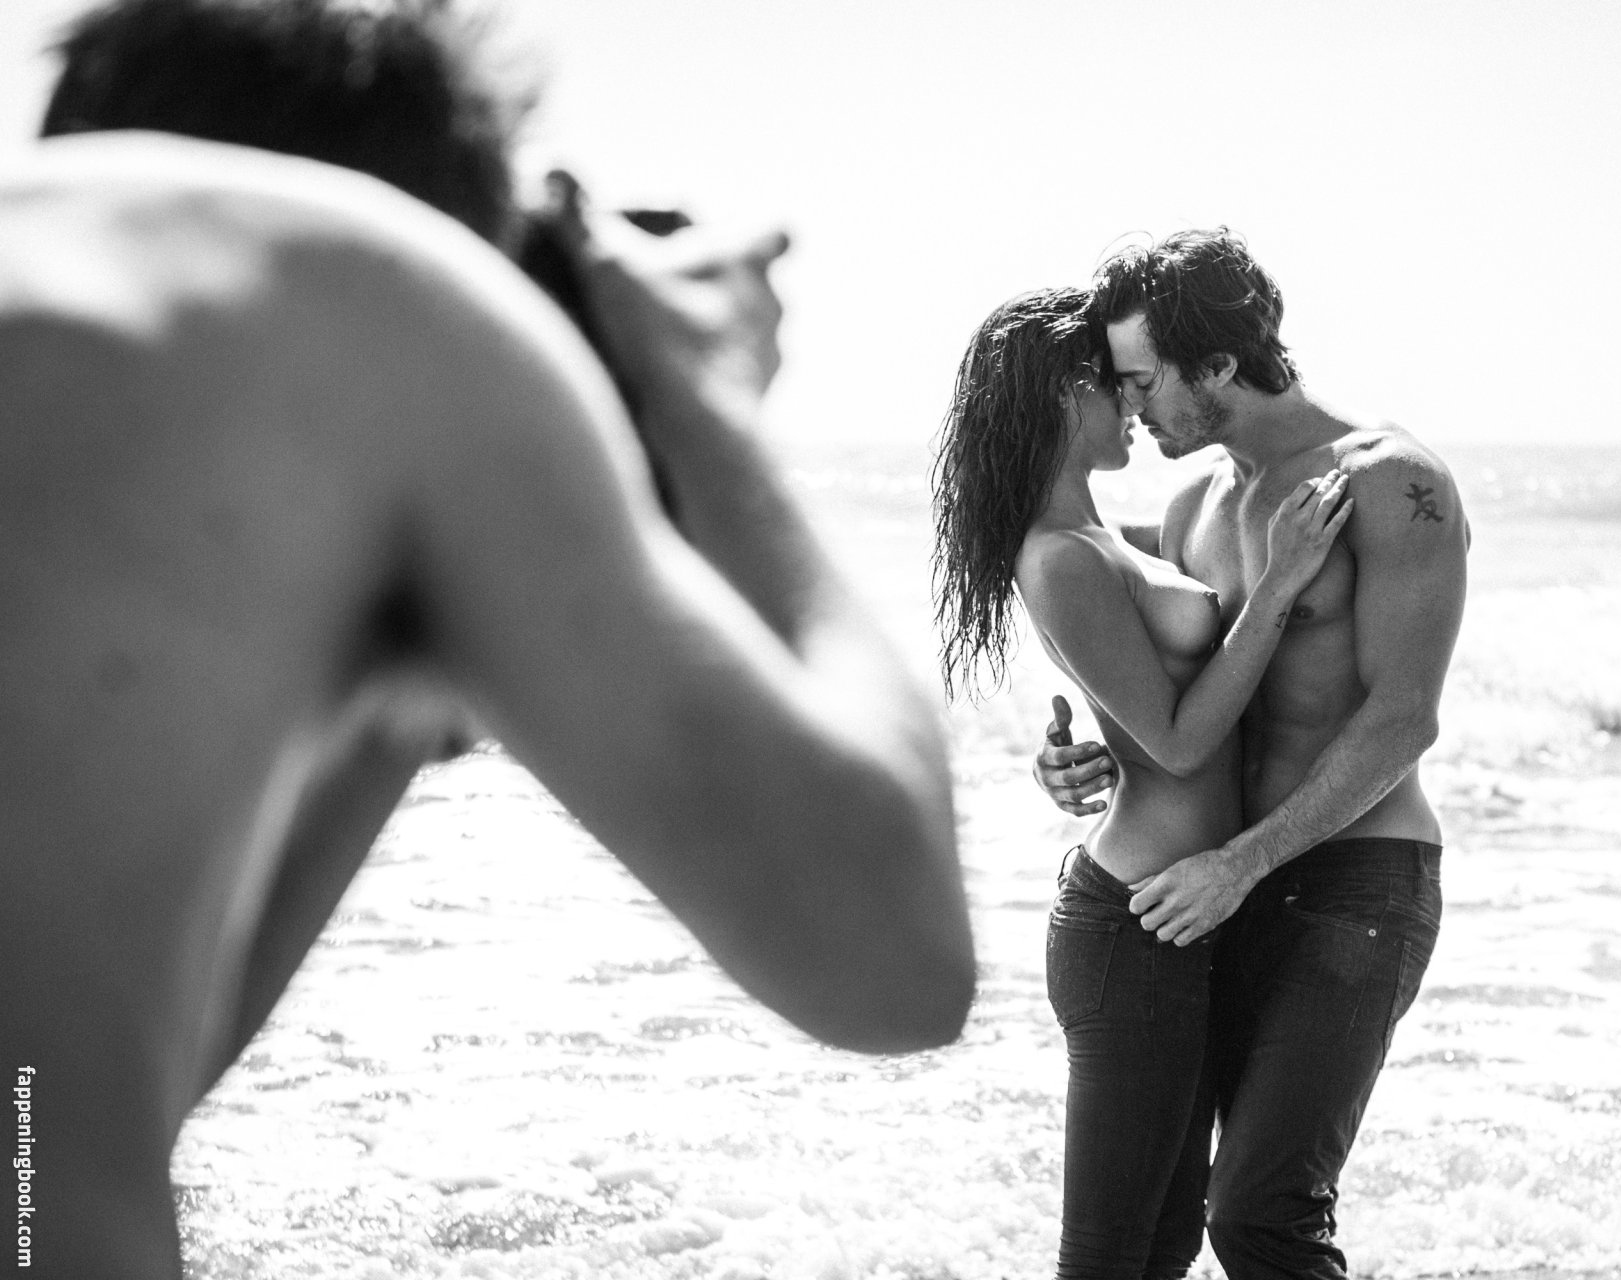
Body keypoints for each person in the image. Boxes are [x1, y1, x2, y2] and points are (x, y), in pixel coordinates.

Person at [3, 14, 972, 1280]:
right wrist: (702, 400)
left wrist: (421, 646)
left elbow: (91, 1083)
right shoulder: (384, 282)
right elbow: (892, 956)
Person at [1032, 230, 1466, 1279]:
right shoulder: (1196, 506)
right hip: (1221, 891)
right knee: (1170, 1222)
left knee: (1263, 1215)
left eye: (1143, 380)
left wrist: (1245, 860)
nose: (1129, 406)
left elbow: (1403, 718)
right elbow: (1194, 707)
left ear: (1219, 365)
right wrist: (1092, 757)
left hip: (1355, 882)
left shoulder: (1391, 482)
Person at [932, 288, 1350, 1278]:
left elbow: (1143, 714)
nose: (1131, 403)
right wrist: (1281, 584)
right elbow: (1176, 744)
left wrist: (1083, 752)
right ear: (1059, 395)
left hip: (1179, 918)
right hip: (1131, 927)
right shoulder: (1057, 555)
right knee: (1109, 1256)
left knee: (1162, 1245)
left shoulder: (1110, 538)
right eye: (1112, 384)